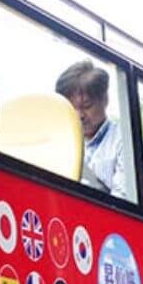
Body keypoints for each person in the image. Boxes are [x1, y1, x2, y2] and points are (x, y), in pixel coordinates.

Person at [56, 60, 128, 196]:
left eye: (87, 106)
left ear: (105, 100)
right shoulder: (60, 141)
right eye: (72, 108)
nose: (79, 115)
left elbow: (123, 199)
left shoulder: (124, 142)